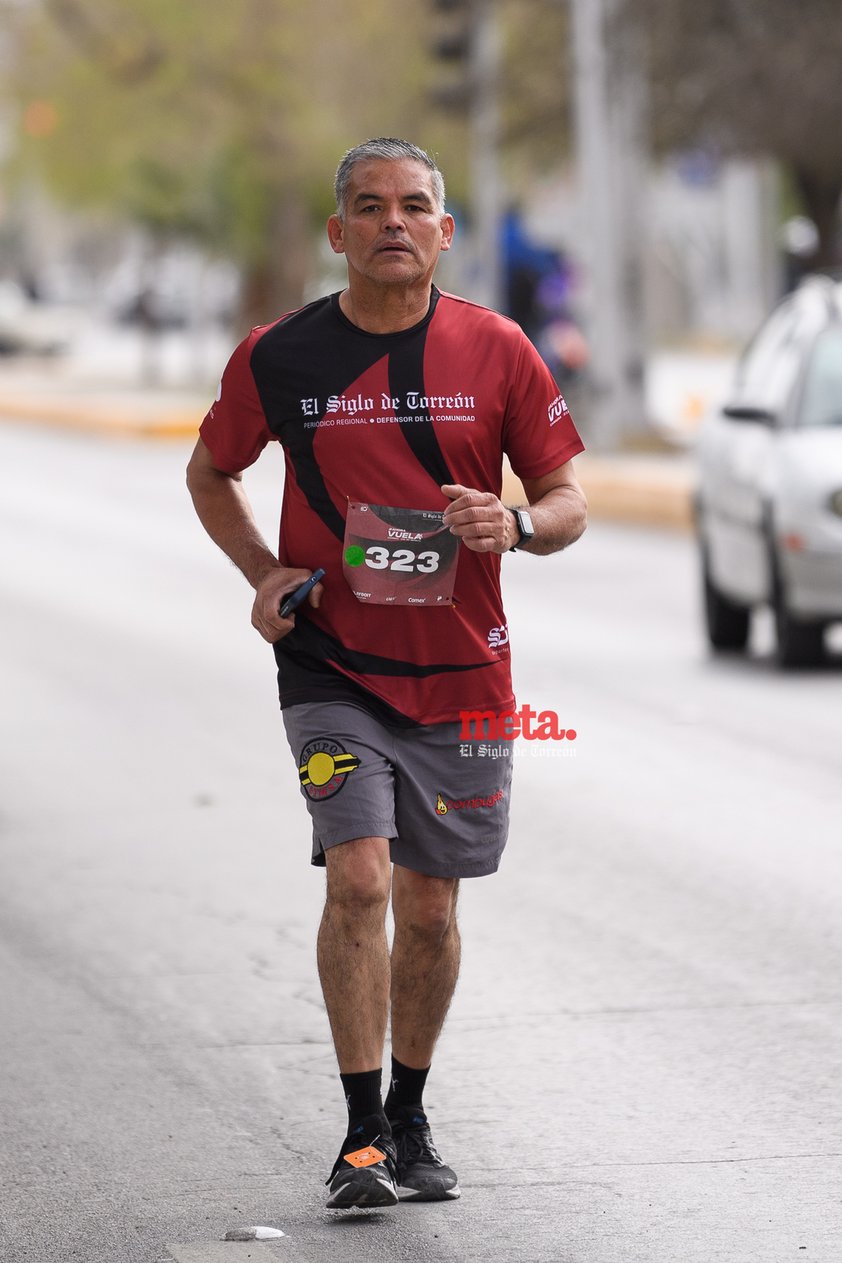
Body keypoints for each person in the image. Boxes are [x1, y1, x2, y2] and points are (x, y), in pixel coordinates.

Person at [186, 137, 587, 1210]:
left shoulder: (496, 348)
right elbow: (210, 469)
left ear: (443, 232)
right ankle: (360, 1133)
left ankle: (409, 1113)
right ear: (338, 233)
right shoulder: (280, 356)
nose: (392, 223)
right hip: (331, 665)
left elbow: (565, 500)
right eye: (369, 208)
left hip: (461, 672)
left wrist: (511, 522)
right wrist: (264, 572)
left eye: (413, 206)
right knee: (359, 877)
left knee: (430, 906)